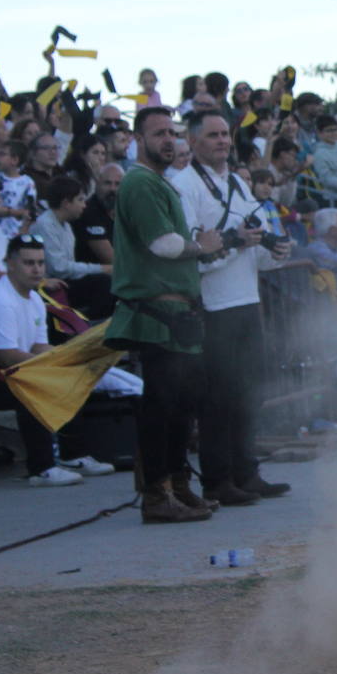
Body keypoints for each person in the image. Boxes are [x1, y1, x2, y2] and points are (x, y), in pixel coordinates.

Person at [105, 106, 223, 524]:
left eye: (172, 132)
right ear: (139, 139)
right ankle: (157, 495)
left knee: (181, 404)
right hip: (157, 312)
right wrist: (203, 247)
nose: (168, 140)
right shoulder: (138, 182)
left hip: (177, 313)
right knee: (162, 405)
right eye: (158, 133)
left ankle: (177, 486)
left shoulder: (160, 183)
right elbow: (164, 245)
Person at [172, 111, 293, 505]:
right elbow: (195, 253)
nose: (222, 141)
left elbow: (249, 242)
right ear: (192, 142)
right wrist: (237, 242)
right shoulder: (184, 185)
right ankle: (217, 479)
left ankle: (247, 471)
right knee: (219, 397)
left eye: (226, 134)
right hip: (213, 304)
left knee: (249, 392)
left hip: (246, 299)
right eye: (212, 135)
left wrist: (274, 251)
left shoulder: (239, 182)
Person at [0, 234, 123, 486]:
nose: (36, 269)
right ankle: (41, 469)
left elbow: (37, 346)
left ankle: (74, 456)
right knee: (33, 385)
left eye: (40, 262)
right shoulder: (0, 300)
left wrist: (69, 360)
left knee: (68, 376)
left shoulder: (34, 298)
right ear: (10, 264)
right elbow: (6, 355)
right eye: (28, 263)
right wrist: (53, 368)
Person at [32, 175, 114, 318]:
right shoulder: (45, 225)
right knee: (104, 284)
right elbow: (59, 268)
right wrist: (101, 268)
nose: (84, 205)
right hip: (48, 286)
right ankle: (86, 328)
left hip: (63, 282)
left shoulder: (66, 225)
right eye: (80, 200)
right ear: (66, 203)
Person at [74, 163, 122, 265]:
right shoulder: (88, 212)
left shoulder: (123, 211)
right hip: (93, 276)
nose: (112, 189)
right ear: (97, 184)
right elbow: (111, 259)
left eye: (117, 184)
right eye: (107, 183)